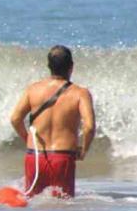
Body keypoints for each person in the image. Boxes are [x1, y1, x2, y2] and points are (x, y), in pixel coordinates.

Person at [9, 45, 95, 198]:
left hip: (34, 156)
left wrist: (27, 139)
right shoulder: (80, 93)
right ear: (71, 67)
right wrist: (83, 151)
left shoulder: (32, 89)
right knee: (63, 210)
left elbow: (15, 119)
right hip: (62, 158)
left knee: (34, 208)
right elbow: (89, 127)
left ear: (49, 66)